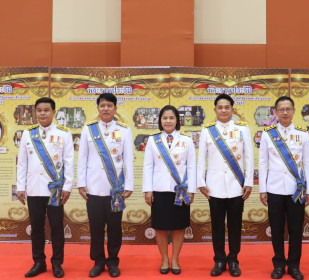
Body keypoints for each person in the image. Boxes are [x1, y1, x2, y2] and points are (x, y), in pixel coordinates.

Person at [77, 93, 134, 278]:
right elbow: (82, 159)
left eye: (110, 105)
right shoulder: (88, 129)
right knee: (95, 227)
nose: (106, 109)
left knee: (115, 227)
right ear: (98, 108)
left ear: (116, 109)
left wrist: (129, 185)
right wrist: (81, 183)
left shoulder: (124, 130)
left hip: (115, 189)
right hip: (93, 188)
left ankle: (113, 261)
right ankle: (98, 261)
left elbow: (128, 161)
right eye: (102, 105)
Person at [17, 97, 74, 278]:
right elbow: (22, 164)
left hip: (55, 190)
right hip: (34, 189)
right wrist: (21, 187)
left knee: (57, 227)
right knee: (37, 227)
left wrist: (67, 186)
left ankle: (57, 263)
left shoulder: (64, 133)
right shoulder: (28, 133)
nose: (43, 113)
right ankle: (39, 262)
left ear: (53, 112)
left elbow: (69, 162)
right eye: (39, 110)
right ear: (35, 112)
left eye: (46, 110)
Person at [197, 93, 254, 277]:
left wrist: (248, 182)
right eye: (220, 107)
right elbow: (201, 159)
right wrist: (201, 182)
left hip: (237, 185)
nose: (223, 110)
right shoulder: (208, 130)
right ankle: (219, 260)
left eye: (227, 107)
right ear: (215, 110)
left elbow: (248, 157)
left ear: (232, 109)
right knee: (217, 226)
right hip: (214, 187)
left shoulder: (242, 129)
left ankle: (234, 259)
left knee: (236, 225)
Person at [259, 96, 309, 280]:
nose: (284, 113)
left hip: (295, 190)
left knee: (296, 229)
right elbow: (263, 162)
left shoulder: (303, 134)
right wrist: (262, 189)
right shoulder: (268, 134)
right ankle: (279, 265)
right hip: (274, 189)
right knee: (276, 229)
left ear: (293, 111)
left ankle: (294, 266)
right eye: (281, 109)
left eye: (288, 109)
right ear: (275, 112)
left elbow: (308, 163)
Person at [143, 105, 196, 275]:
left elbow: (192, 167)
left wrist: (192, 189)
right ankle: (164, 259)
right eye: (165, 118)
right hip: (159, 189)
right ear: (160, 121)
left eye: (171, 118)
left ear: (177, 120)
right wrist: (148, 190)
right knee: (160, 226)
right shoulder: (153, 140)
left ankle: (175, 259)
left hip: (180, 190)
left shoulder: (187, 140)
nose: (168, 121)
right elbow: (147, 167)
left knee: (179, 226)